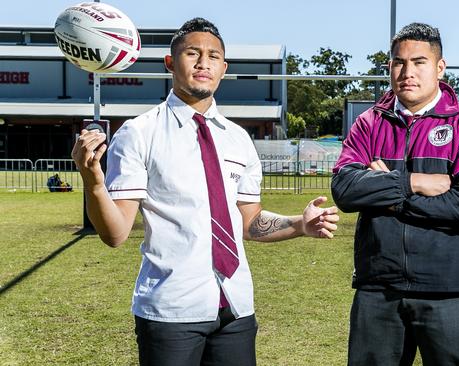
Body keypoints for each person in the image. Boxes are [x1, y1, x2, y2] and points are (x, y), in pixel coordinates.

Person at [71, 18, 339, 366]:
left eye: (213, 56)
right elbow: (115, 233)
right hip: (172, 310)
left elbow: (249, 221)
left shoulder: (238, 139)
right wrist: (92, 181)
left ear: (223, 69)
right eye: (192, 53)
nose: (203, 63)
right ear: (170, 63)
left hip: (236, 307)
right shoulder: (140, 133)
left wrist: (299, 225)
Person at [331, 22, 459, 366]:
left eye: (419, 62)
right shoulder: (368, 123)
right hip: (379, 286)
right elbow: (345, 191)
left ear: (439, 68)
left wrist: (384, 192)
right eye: (398, 62)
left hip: (451, 288)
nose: (407, 72)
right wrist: (413, 182)